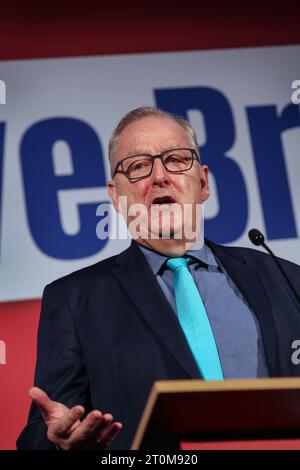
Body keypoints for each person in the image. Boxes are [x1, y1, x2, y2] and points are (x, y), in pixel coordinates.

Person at [17, 106, 300, 450]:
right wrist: (57, 444)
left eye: (177, 160)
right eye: (138, 167)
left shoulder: (284, 277)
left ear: (203, 182)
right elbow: (43, 431)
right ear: (116, 197)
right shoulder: (75, 300)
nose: (160, 176)